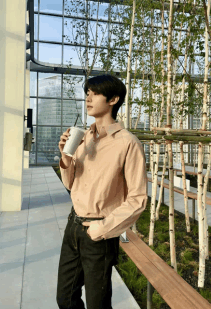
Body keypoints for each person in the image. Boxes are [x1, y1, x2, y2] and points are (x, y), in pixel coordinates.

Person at [56, 74, 148, 309]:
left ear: (113, 99)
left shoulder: (128, 143)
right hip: (73, 226)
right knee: (65, 298)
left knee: (97, 304)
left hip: (99, 233)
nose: (88, 97)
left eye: (95, 93)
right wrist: (66, 156)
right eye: (87, 93)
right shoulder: (84, 137)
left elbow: (137, 199)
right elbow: (71, 184)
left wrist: (103, 228)